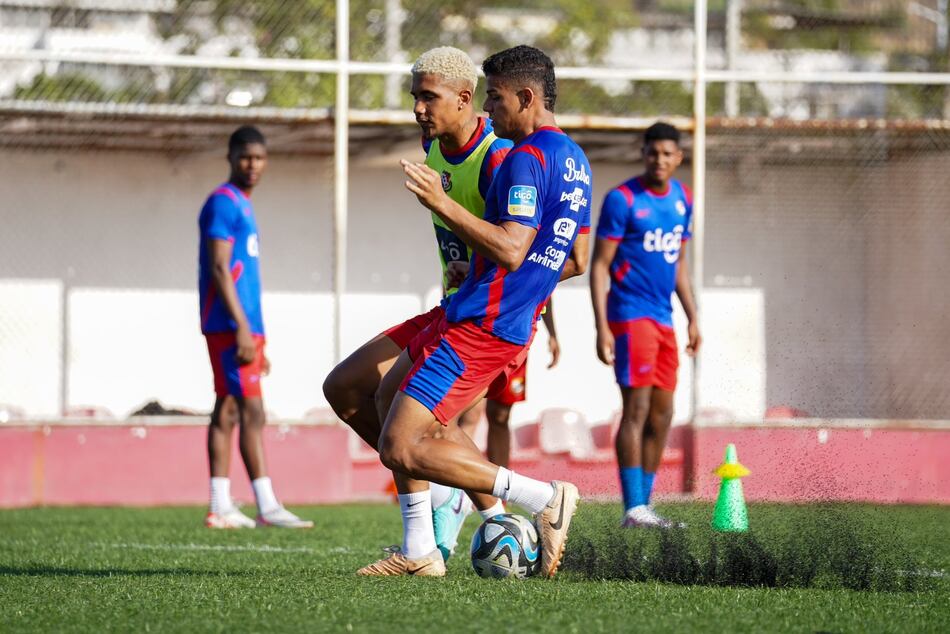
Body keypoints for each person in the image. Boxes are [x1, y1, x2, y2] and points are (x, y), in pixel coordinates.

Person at [358, 45, 592, 578]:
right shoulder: (574, 159)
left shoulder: (524, 159)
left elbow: (512, 247)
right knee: (384, 395)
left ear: (526, 97)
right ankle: (420, 551)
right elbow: (573, 258)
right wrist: (494, 269)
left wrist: (441, 203)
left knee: (402, 445)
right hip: (483, 309)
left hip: (485, 324)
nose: (491, 109)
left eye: (496, 97)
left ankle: (540, 498)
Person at [322, 47, 513, 559]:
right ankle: (471, 518)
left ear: (465, 98)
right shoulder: (433, 150)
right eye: (415, 97)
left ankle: (440, 537)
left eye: (429, 97)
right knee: (346, 388)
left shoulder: (497, 159)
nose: (419, 109)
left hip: (489, 320)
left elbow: (527, 253)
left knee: (421, 420)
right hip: (450, 310)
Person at [198, 125, 312, 529]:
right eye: (245, 157)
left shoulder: (242, 204)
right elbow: (218, 267)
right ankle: (266, 505)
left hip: (242, 324)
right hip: (230, 324)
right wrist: (242, 328)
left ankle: (221, 505)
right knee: (252, 409)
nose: (253, 165)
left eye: (259, 158)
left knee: (228, 408)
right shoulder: (223, 203)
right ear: (230, 157)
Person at [589, 122, 701, 529]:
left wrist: (692, 317)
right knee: (635, 409)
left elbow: (679, 265)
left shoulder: (683, 199)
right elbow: (599, 266)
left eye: (668, 154)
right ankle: (632, 507)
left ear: (678, 158)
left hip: (663, 318)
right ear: (644, 153)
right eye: (653, 153)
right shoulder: (622, 200)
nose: (660, 160)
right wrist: (601, 327)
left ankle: (644, 508)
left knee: (663, 414)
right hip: (629, 314)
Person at [457, 298, 559, 469]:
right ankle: (455, 488)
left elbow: (547, 282)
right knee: (468, 414)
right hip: (478, 331)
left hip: (516, 336)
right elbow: (452, 280)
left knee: (500, 415)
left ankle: (498, 490)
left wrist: (553, 334)